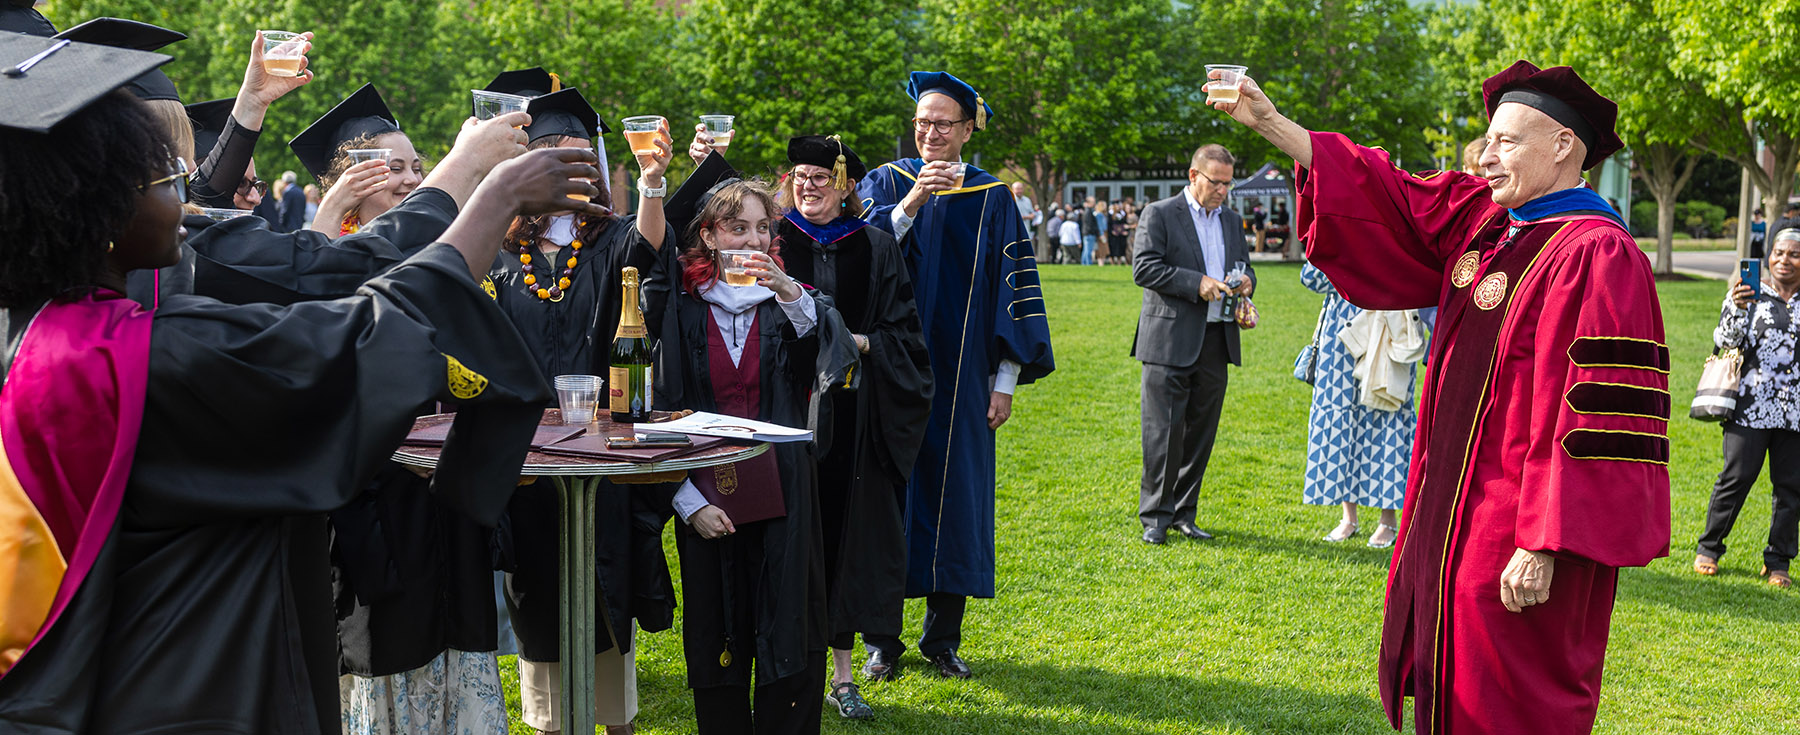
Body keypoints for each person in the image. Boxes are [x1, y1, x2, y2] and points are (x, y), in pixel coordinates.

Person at [0, 34, 603, 733]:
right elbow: (368, 336)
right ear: (98, 211)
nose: (187, 198)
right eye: (165, 179)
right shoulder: (152, 361)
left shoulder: (36, 335)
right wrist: (492, 194)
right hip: (182, 689)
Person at [1217, 60, 1671, 734]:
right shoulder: (1490, 227)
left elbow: (1591, 413)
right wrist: (1274, 125)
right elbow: (1396, 196)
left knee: (1508, 697)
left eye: (1506, 142)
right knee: (1447, 678)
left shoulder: (1596, 253)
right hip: (1450, 515)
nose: (1487, 157)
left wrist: (1545, 542)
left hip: (1520, 534)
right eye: (1486, 142)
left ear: (1564, 147)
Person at [482, 68, 675, 735]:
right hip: (527, 465)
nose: (564, 170)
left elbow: (648, 245)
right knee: (541, 603)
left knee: (601, 591)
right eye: (548, 158)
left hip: (598, 455)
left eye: (574, 157)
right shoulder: (501, 251)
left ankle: (613, 720)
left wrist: (650, 179)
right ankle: (551, 722)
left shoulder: (608, 240)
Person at [857, 70, 1055, 680]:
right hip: (889, 372)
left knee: (957, 499)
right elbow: (859, 257)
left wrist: (1003, 381)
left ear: (969, 130)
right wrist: (913, 199)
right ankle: (880, 640)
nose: (931, 133)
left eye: (944, 123)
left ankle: (942, 639)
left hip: (965, 376)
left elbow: (1014, 292)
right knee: (888, 497)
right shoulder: (882, 183)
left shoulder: (994, 197)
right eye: (922, 123)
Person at [649, 177, 858, 735]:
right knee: (715, 626)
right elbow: (660, 411)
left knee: (789, 623)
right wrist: (687, 502)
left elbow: (825, 358)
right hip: (707, 493)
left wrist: (790, 290)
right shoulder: (681, 310)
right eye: (737, 227)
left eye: (763, 227)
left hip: (787, 493)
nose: (753, 239)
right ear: (710, 235)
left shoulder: (793, 303)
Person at [771, 135, 933, 720]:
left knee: (842, 539)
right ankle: (783, 664)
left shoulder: (877, 246)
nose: (808, 185)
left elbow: (907, 340)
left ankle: (841, 678)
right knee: (788, 537)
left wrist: (856, 342)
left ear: (845, 186)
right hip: (782, 408)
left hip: (855, 416)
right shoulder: (771, 240)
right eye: (800, 175)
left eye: (822, 176)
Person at [1131, 144, 1255, 545]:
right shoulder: (1161, 214)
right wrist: (1195, 283)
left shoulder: (1232, 221)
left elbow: (1244, 264)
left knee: (1201, 433)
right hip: (1168, 340)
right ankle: (1155, 516)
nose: (1222, 190)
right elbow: (1145, 268)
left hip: (1217, 339)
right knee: (1163, 432)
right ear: (1193, 176)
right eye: (1215, 182)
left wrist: (1249, 280)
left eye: (1227, 183)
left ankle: (1186, 513)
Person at [1694, 227, 1800, 589]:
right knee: (1736, 478)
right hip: (1750, 408)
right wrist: (1737, 306)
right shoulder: (1751, 295)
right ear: (1768, 256)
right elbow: (1725, 340)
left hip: (1796, 414)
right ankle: (1709, 547)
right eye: (1779, 253)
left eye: (1794, 254)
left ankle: (1778, 562)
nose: (1785, 260)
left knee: (1791, 488)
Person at [1301, 263, 1423, 549]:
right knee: (1342, 419)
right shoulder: (1334, 224)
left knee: (1388, 413)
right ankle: (1349, 517)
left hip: (1390, 324)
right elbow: (1310, 278)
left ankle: (1388, 519)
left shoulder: (1397, 221)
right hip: (1341, 333)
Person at [298, 85, 425, 236]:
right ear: (352, 178)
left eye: (417, 169)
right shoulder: (338, 248)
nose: (413, 179)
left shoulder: (438, 234)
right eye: (396, 168)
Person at [1012, 181, 1041, 247]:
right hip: (1014, 233)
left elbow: (1032, 214)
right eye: (1017, 189)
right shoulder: (1010, 200)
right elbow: (1013, 216)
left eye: (1021, 189)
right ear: (1013, 189)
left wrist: (1026, 216)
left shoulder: (1027, 200)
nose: (1020, 191)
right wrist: (1027, 217)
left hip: (1026, 232)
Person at [1078, 196, 1100, 265]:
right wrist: (1095, 232)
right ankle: (1088, 263)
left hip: (1087, 233)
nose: (1094, 203)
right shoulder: (1088, 212)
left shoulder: (1088, 211)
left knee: (1086, 250)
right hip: (1089, 234)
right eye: (1093, 202)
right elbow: (1090, 225)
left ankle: (1084, 263)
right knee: (1088, 250)